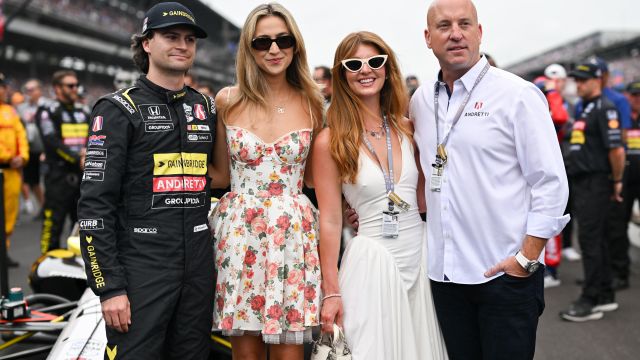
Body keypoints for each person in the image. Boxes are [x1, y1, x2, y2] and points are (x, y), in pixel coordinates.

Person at [412, 0, 569, 358]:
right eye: (444, 26)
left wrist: (527, 257)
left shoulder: (517, 94)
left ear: (479, 32)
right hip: (445, 278)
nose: (455, 34)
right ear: (428, 37)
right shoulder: (421, 101)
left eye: (464, 24)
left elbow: (550, 182)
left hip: (504, 275)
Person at [77, 2, 226, 359]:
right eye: (171, 36)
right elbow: (94, 205)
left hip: (198, 264)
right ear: (146, 43)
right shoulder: (117, 109)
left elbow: (232, 176)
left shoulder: (206, 108)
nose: (182, 45)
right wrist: (109, 287)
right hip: (142, 264)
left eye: (190, 39)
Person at [313, 31, 447, 359]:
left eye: (375, 61)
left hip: (422, 256)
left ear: (387, 69)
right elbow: (330, 219)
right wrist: (330, 292)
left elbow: (428, 195)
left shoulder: (409, 127)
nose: (365, 69)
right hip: (371, 261)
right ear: (341, 74)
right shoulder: (330, 141)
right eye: (354, 63)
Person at [208, 3, 323, 359]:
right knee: (245, 355)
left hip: (293, 237)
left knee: (290, 355)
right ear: (249, 48)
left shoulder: (314, 103)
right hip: (241, 236)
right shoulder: (227, 100)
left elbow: (318, 181)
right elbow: (221, 175)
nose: (274, 49)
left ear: (295, 44)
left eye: (283, 39)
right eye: (262, 42)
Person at [560, 62, 625, 322]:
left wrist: (617, 180)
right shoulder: (582, 106)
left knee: (589, 240)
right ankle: (605, 292)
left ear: (598, 80)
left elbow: (617, 150)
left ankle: (591, 299)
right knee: (596, 240)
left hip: (595, 181)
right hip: (582, 180)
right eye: (576, 80)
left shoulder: (605, 108)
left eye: (583, 80)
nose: (579, 84)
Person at [36, 70, 89, 254]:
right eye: (70, 85)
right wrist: (78, 159)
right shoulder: (47, 111)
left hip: (82, 175)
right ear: (57, 88)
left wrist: (87, 155)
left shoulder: (84, 110)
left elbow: (94, 137)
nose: (75, 88)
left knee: (83, 225)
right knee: (53, 225)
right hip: (58, 176)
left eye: (76, 85)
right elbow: (52, 142)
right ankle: (46, 268)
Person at [0, 73, 29, 268]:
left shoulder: (11, 110)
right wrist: (8, 156)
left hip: (12, 173)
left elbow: (21, 136)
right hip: (4, 165)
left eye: (3, 86)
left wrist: (23, 157)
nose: (2, 90)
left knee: (9, 215)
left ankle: (3, 252)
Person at [16, 79, 49, 216]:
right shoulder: (21, 108)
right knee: (33, 181)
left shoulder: (47, 106)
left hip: (45, 149)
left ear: (39, 91)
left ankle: (50, 208)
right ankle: (43, 207)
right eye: (26, 90)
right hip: (30, 149)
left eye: (31, 90)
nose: (28, 93)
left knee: (48, 181)